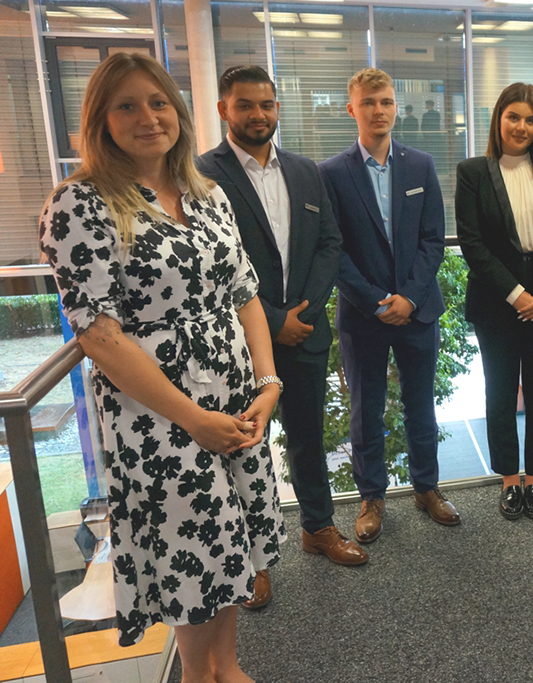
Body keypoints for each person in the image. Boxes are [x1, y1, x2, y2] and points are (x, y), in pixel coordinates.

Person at [38, 52, 283, 681]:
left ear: (178, 112)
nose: (148, 117)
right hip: (161, 420)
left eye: (158, 103)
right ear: (100, 120)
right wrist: (194, 419)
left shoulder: (207, 193)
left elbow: (245, 293)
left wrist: (268, 382)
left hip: (234, 399)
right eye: (127, 105)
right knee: (194, 554)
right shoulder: (80, 205)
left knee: (232, 548)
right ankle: (204, 676)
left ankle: (226, 669)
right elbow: (99, 336)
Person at [197, 64, 364, 612]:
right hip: (239, 343)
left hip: (305, 331)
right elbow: (211, 269)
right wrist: (273, 320)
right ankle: (252, 561)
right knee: (244, 447)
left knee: (308, 435)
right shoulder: (201, 175)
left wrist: (305, 312)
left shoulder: (306, 171)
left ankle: (318, 527)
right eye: (246, 105)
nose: (259, 115)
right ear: (225, 110)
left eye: (267, 105)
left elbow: (329, 245)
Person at [318, 67, 460, 541]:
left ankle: (427, 488)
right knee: (367, 410)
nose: (379, 111)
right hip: (364, 316)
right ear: (351, 108)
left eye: (386, 102)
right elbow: (332, 250)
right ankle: (371, 498)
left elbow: (433, 239)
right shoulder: (331, 174)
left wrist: (409, 297)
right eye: (369, 103)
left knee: (422, 405)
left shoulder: (420, 164)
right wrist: (379, 300)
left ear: (395, 106)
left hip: (418, 310)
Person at [455, 83, 533, 520]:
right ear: (498, 120)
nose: (521, 127)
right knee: (501, 391)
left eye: (530, 119)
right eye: (514, 117)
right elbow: (472, 242)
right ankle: (510, 478)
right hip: (497, 302)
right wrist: (517, 295)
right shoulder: (473, 172)